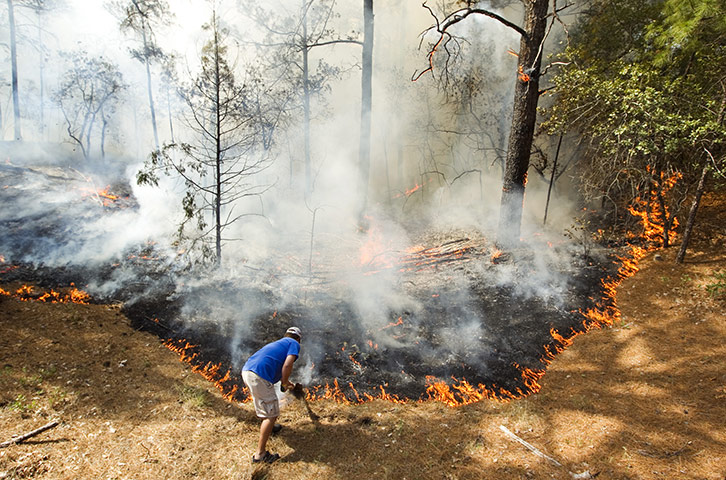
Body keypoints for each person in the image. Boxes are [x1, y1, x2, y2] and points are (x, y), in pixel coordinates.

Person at [242, 326, 301, 464]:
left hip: (247, 371)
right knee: (271, 414)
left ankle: (270, 426)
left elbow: (278, 368)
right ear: (298, 338)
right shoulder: (294, 343)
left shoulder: (278, 344)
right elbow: (287, 366)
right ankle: (260, 455)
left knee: (265, 403)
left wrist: (288, 384)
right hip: (259, 376)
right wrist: (285, 382)